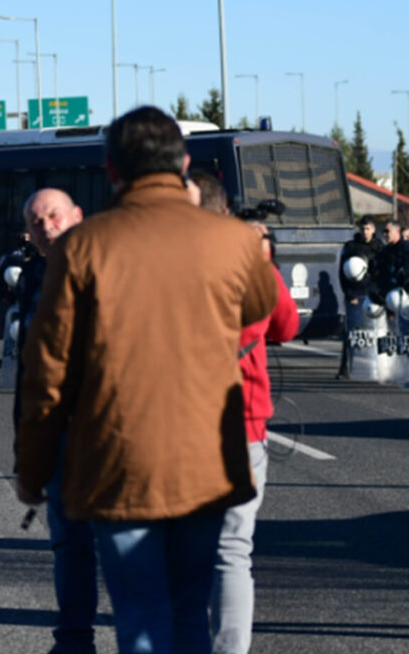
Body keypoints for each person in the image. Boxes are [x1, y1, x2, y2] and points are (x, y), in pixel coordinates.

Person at [16, 106, 277, 654]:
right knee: (189, 611)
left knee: (141, 616)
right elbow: (260, 305)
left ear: (112, 170)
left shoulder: (83, 248)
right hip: (209, 458)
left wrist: (35, 467)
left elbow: (48, 371)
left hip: (120, 461)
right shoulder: (231, 241)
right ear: (183, 163)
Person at [195, 174, 300, 654]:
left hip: (176, 422)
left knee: (179, 550)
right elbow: (287, 324)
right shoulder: (250, 264)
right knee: (232, 550)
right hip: (243, 420)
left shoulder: (164, 261)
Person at [16, 188, 95, 654]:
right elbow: (32, 372)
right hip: (61, 437)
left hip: (109, 435)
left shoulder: (105, 267)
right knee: (70, 547)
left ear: (78, 216)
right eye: (35, 221)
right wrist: (28, 455)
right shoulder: (34, 276)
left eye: (53, 216)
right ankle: (73, 642)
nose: (45, 226)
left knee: (124, 550)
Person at [336, 215, 384, 378]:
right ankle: (345, 368)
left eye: (368, 228)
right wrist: (348, 294)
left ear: (373, 229)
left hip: (373, 295)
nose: (365, 232)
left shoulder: (379, 247)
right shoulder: (350, 247)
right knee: (351, 332)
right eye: (363, 228)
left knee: (376, 331)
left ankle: (379, 368)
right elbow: (342, 273)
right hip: (354, 295)